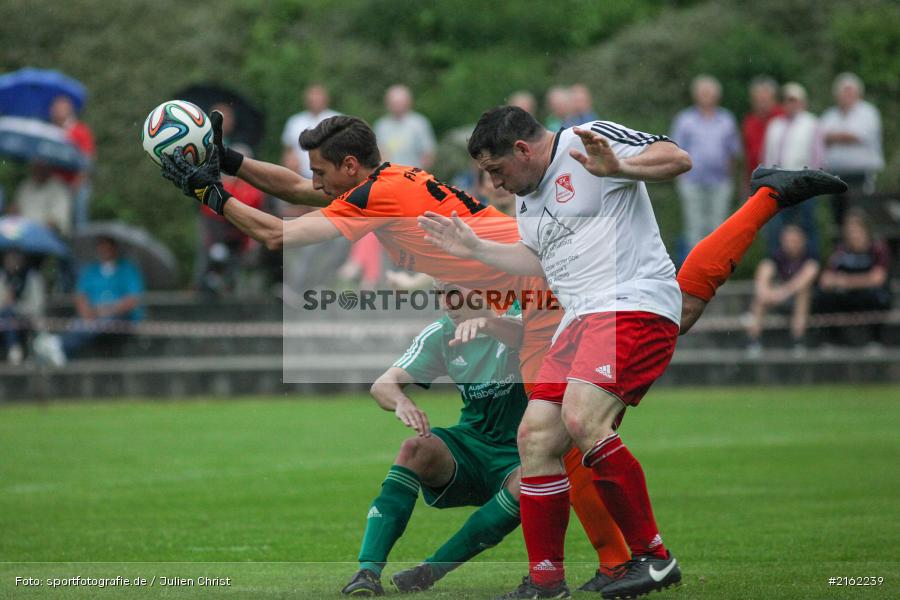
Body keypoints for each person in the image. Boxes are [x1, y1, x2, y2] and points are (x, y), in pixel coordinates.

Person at [158, 109, 845, 597]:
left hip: (536, 297)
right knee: (577, 407)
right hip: (537, 285)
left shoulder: (383, 194)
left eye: (322, 171)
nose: (314, 183)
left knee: (571, 430)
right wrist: (229, 159)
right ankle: (767, 196)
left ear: (349, 167)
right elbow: (301, 191)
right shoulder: (378, 183)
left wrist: (204, 190)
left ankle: (620, 563)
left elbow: (274, 232)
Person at [417, 106, 846, 599]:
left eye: (496, 171)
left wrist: (621, 168)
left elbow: (677, 157)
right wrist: (474, 249)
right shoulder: (529, 201)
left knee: (583, 418)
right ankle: (545, 582)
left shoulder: (588, 139)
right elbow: (536, 261)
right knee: (534, 437)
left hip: (630, 303)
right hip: (581, 319)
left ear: (522, 150)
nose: (494, 183)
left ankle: (655, 558)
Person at [342, 287, 527, 595]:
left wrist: (488, 322)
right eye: (440, 292)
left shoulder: (524, 308)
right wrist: (401, 401)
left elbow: (528, 333)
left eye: (454, 292)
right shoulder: (442, 332)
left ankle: (429, 571)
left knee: (531, 479)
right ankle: (367, 573)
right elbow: (382, 385)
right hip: (473, 442)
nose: (446, 303)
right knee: (414, 449)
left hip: (525, 447)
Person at [34, 236, 144, 366]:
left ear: (115, 249)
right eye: (102, 248)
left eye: (108, 247)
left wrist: (106, 311)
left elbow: (132, 299)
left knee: (101, 322)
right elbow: (81, 295)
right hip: (94, 317)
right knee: (79, 323)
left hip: (121, 318)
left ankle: (59, 345)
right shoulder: (91, 270)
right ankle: (58, 348)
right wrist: (86, 312)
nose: (105, 251)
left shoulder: (128, 270)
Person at [671, 75, 742, 250]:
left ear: (717, 96)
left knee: (718, 229)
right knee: (694, 228)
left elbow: (733, 152)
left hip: (720, 182)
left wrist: (728, 176)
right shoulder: (684, 120)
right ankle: (695, 275)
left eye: (709, 93)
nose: (706, 96)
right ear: (695, 95)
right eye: (703, 92)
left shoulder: (727, 119)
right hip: (692, 182)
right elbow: (674, 151)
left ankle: (715, 273)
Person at [761, 82, 823, 256]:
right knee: (776, 229)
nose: (791, 104)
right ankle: (776, 267)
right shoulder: (775, 125)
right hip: (778, 186)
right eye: (788, 101)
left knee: (807, 227)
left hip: (804, 185)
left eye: (795, 101)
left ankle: (812, 264)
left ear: (802, 102)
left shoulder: (811, 123)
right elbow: (768, 156)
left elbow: (817, 158)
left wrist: (813, 184)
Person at [814, 209, 891, 346]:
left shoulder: (877, 248)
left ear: (866, 230)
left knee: (878, 296)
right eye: (850, 230)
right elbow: (825, 280)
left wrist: (845, 281)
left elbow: (878, 279)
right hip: (847, 296)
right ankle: (832, 340)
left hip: (868, 296)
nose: (853, 234)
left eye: (857, 230)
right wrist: (857, 281)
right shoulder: (840, 251)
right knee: (823, 297)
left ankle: (875, 340)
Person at [820, 73, 884, 224]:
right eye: (844, 91)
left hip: (860, 175)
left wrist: (834, 137)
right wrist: (844, 136)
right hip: (834, 176)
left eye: (850, 91)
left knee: (859, 216)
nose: (847, 95)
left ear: (858, 93)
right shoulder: (830, 115)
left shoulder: (868, 113)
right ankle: (841, 248)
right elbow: (821, 137)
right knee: (838, 218)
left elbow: (857, 136)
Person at [745, 224, 819, 356]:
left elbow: (804, 279)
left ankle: (798, 341)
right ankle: (753, 341)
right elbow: (763, 273)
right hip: (778, 298)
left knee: (803, 293)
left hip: (812, 302)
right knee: (760, 296)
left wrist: (781, 293)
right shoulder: (776, 256)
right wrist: (766, 293)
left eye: (795, 240)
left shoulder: (810, 257)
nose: (791, 244)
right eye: (788, 240)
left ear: (803, 241)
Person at [49, 94, 95, 229]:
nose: (57, 112)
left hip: (77, 183)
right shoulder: (52, 132)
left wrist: (78, 182)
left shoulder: (80, 131)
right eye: (55, 108)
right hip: (58, 183)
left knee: (79, 220)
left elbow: (87, 159)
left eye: (60, 108)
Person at [281, 84, 340, 178]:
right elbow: (288, 150)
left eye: (318, 96)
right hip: (300, 175)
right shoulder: (295, 121)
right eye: (312, 97)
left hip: (329, 176)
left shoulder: (337, 120)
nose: (315, 100)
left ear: (326, 99)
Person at [373, 85, 436, 170]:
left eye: (399, 102)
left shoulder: (419, 123)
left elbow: (428, 153)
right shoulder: (381, 126)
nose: (397, 106)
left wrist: (419, 174)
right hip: (388, 177)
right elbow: (379, 153)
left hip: (414, 177)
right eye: (394, 103)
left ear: (408, 102)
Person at [0, 250, 45, 365]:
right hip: (4, 318)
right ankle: (13, 349)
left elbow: (36, 306)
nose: (11, 261)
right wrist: (6, 300)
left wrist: (16, 306)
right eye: (8, 258)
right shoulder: (2, 277)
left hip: (28, 318)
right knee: (7, 314)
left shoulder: (32, 277)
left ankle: (14, 350)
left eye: (15, 257)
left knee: (9, 314)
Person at [741, 76, 783, 191]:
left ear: (773, 99)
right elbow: (747, 154)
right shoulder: (749, 121)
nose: (762, 103)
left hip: (779, 180)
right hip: (756, 179)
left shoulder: (782, 118)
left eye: (765, 99)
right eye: (758, 100)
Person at [12, 161, 73, 236]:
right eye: (35, 164)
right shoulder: (25, 186)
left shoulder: (59, 189)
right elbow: (14, 212)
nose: (37, 168)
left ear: (49, 167)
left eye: (41, 164)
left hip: (49, 239)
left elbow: (57, 224)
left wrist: (33, 231)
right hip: (22, 237)